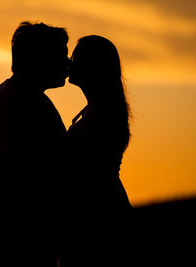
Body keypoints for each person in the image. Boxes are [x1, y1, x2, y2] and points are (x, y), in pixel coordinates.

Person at [0, 21, 69, 267]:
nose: (67, 64)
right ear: (40, 58)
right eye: (61, 55)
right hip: (14, 238)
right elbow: (38, 175)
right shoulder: (30, 104)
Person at [59, 35, 133, 266]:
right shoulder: (100, 109)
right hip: (98, 214)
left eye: (76, 56)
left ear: (94, 65)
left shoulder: (103, 114)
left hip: (99, 220)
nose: (70, 61)